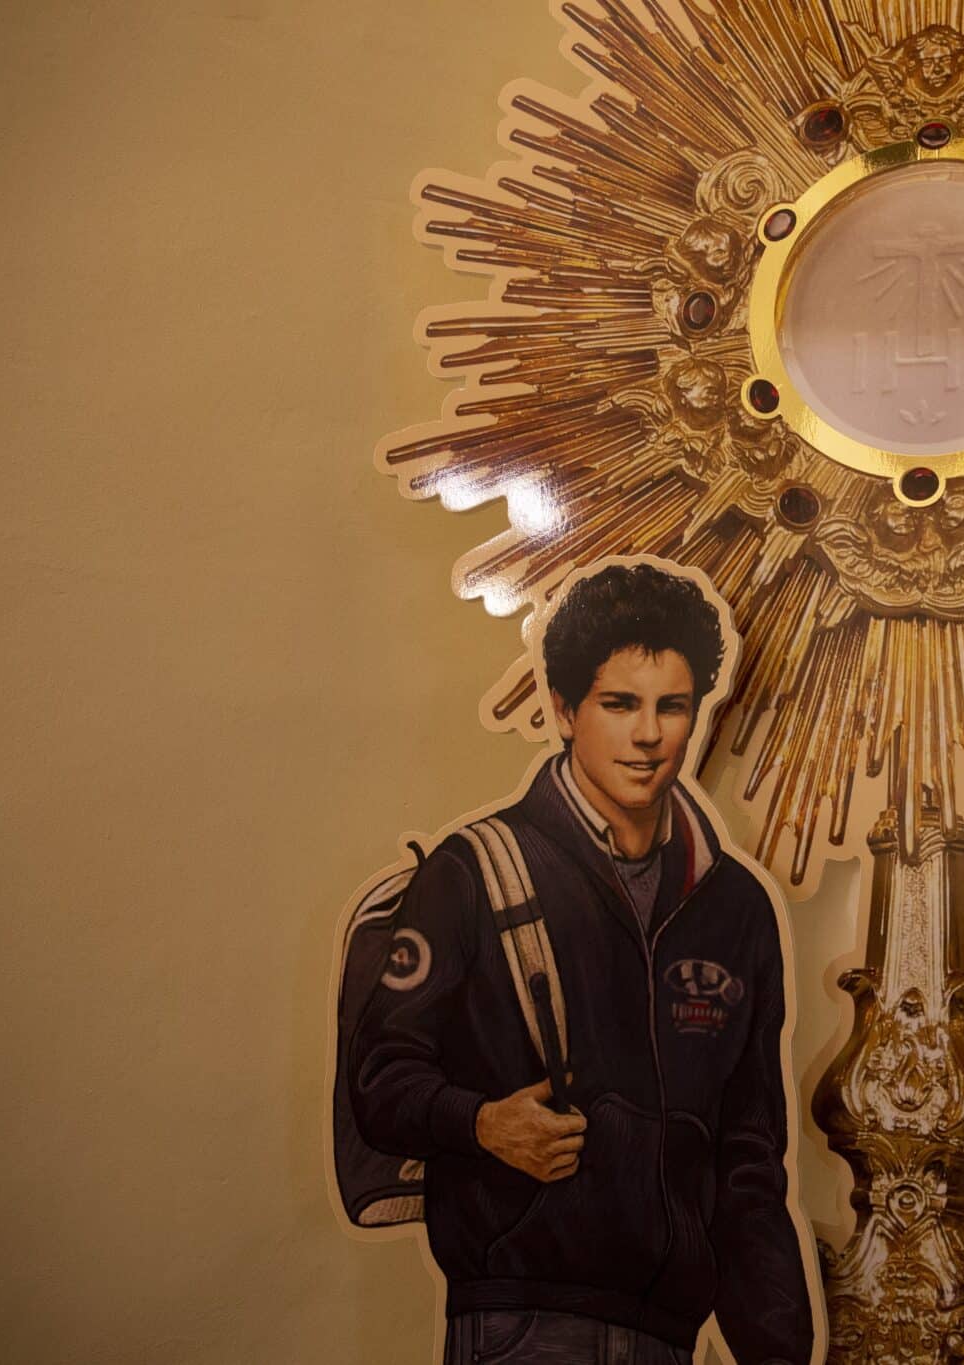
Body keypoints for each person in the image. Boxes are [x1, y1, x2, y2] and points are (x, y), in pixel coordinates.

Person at [348, 562, 814, 1365]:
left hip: (671, 1336)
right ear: (564, 710)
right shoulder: (472, 871)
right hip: (518, 1323)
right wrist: (482, 1123)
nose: (649, 734)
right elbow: (380, 1079)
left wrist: (780, 1351)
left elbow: (748, 1159)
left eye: (672, 706)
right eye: (620, 703)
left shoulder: (736, 907)